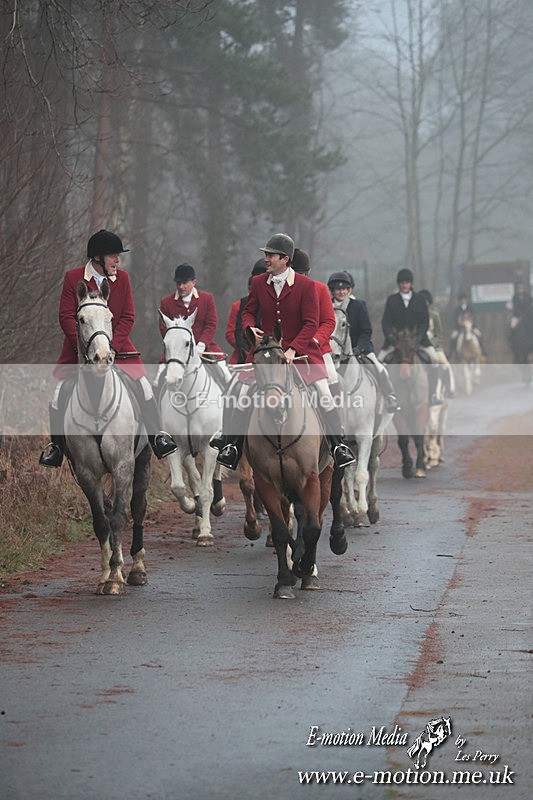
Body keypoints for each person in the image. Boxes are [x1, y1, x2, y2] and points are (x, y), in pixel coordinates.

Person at [210, 233, 357, 470]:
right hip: (268, 353)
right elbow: (248, 312)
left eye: (270, 255)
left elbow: (311, 324)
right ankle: (232, 445)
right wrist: (250, 327)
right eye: (266, 255)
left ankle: (338, 445)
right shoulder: (259, 282)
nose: (266, 259)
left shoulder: (308, 286)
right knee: (239, 390)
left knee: (324, 392)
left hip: (301, 354)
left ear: (285, 259)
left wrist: (291, 351)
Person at [39, 229, 177, 467]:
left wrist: (111, 346)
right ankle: (56, 448)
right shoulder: (73, 278)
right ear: (97, 258)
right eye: (114, 255)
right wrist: (85, 347)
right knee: (58, 395)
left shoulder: (122, 278)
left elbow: (128, 317)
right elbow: (65, 317)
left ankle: (157, 437)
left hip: (119, 349)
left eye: (118, 256)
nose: (118, 260)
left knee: (144, 388)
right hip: (80, 352)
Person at [328, 270, 400, 413]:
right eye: (337, 289)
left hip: (359, 348)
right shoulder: (326, 306)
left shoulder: (358, 306)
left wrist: (359, 348)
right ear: (332, 291)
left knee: (378, 366)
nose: (341, 292)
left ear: (349, 290)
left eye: (344, 289)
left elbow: (366, 330)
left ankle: (389, 396)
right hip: (331, 350)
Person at [158, 263, 231, 388]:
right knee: (158, 379)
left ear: (194, 282)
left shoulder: (207, 299)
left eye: (185, 282)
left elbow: (211, 324)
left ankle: (228, 404)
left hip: (205, 348)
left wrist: (201, 345)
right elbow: (164, 328)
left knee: (225, 374)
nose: (181, 286)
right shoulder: (166, 302)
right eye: (178, 283)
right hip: (176, 351)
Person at [378, 267, 443, 405]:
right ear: (398, 284)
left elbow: (424, 322)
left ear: (411, 283)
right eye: (402, 282)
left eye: (407, 282)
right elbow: (386, 322)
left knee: (435, 359)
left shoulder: (419, 299)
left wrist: (419, 338)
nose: (404, 285)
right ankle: (384, 398)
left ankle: (433, 394)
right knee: (379, 363)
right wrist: (390, 336)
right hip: (395, 341)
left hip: (418, 341)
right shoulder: (392, 300)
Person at [225, 259, 267, 364]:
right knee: (227, 377)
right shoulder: (241, 304)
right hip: (244, 353)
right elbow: (234, 333)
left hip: (269, 353)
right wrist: (245, 350)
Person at [418, 289, 455, 398]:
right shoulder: (415, 316)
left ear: (429, 302)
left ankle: (450, 388)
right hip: (418, 346)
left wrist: (431, 343)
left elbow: (439, 334)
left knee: (445, 363)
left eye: (425, 302)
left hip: (434, 346)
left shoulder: (434, 315)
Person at [449, 293, 484, 358]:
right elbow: (455, 319)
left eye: (464, 299)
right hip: (459, 328)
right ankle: (452, 353)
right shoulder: (457, 309)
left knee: (480, 335)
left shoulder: (470, 308)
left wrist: (471, 325)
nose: (463, 301)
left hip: (471, 327)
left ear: (466, 300)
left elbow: (474, 317)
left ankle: (482, 351)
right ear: (460, 301)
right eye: (462, 300)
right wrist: (460, 325)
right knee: (453, 337)